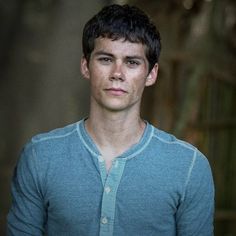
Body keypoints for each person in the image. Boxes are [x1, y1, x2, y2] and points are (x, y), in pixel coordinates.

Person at [7, 4, 214, 236]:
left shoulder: (189, 167)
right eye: (106, 59)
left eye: (132, 62)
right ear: (86, 66)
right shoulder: (39, 156)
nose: (117, 73)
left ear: (151, 74)